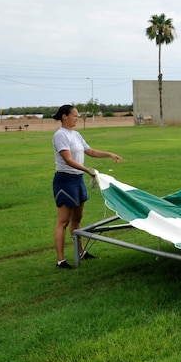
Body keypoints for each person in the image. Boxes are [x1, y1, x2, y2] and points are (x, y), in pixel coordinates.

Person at [52, 105, 123, 269]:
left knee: (77, 220)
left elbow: (89, 151)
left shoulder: (76, 134)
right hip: (65, 180)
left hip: (78, 179)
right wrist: (87, 170)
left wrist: (109, 154)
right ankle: (61, 260)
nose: (77, 118)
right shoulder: (60, 135)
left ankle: (81, 252)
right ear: (65, 117)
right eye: (75, 116)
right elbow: (68, 159)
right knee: (63, 222)